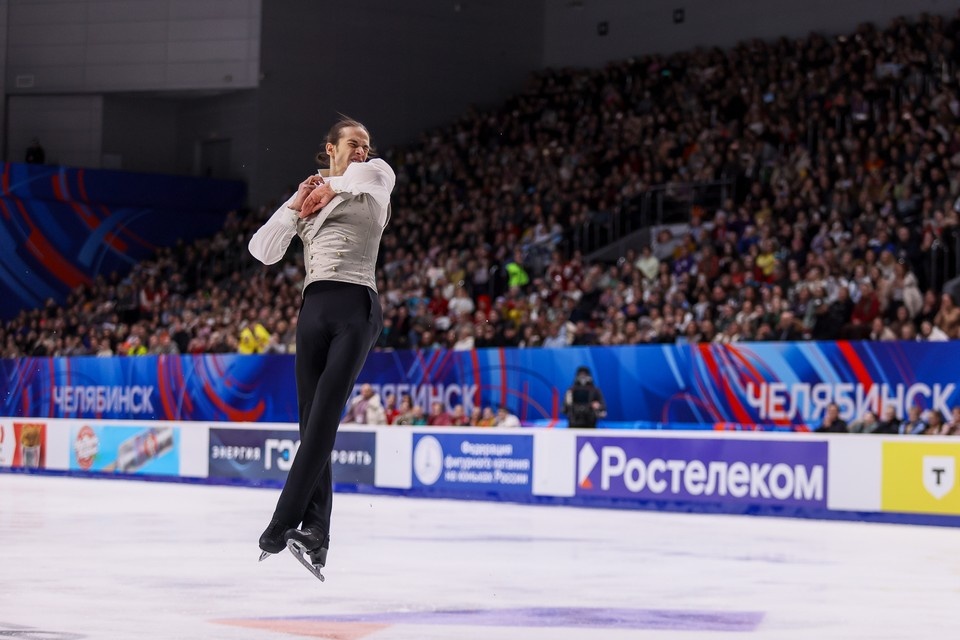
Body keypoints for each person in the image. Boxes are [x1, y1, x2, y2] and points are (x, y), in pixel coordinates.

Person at [248, 117, 395, 575]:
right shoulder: (306, 200)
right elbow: (262, 250)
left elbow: (370, 174)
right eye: (354, 143)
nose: (363, 150)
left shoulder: (374, 182)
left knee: (325, 415)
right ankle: (317, 533)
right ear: (330, 147)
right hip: (312, 311)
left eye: (366, 144)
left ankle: (281, 524)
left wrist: (331, 187)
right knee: (310, 423)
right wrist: (295, 204)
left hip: (356, 305)